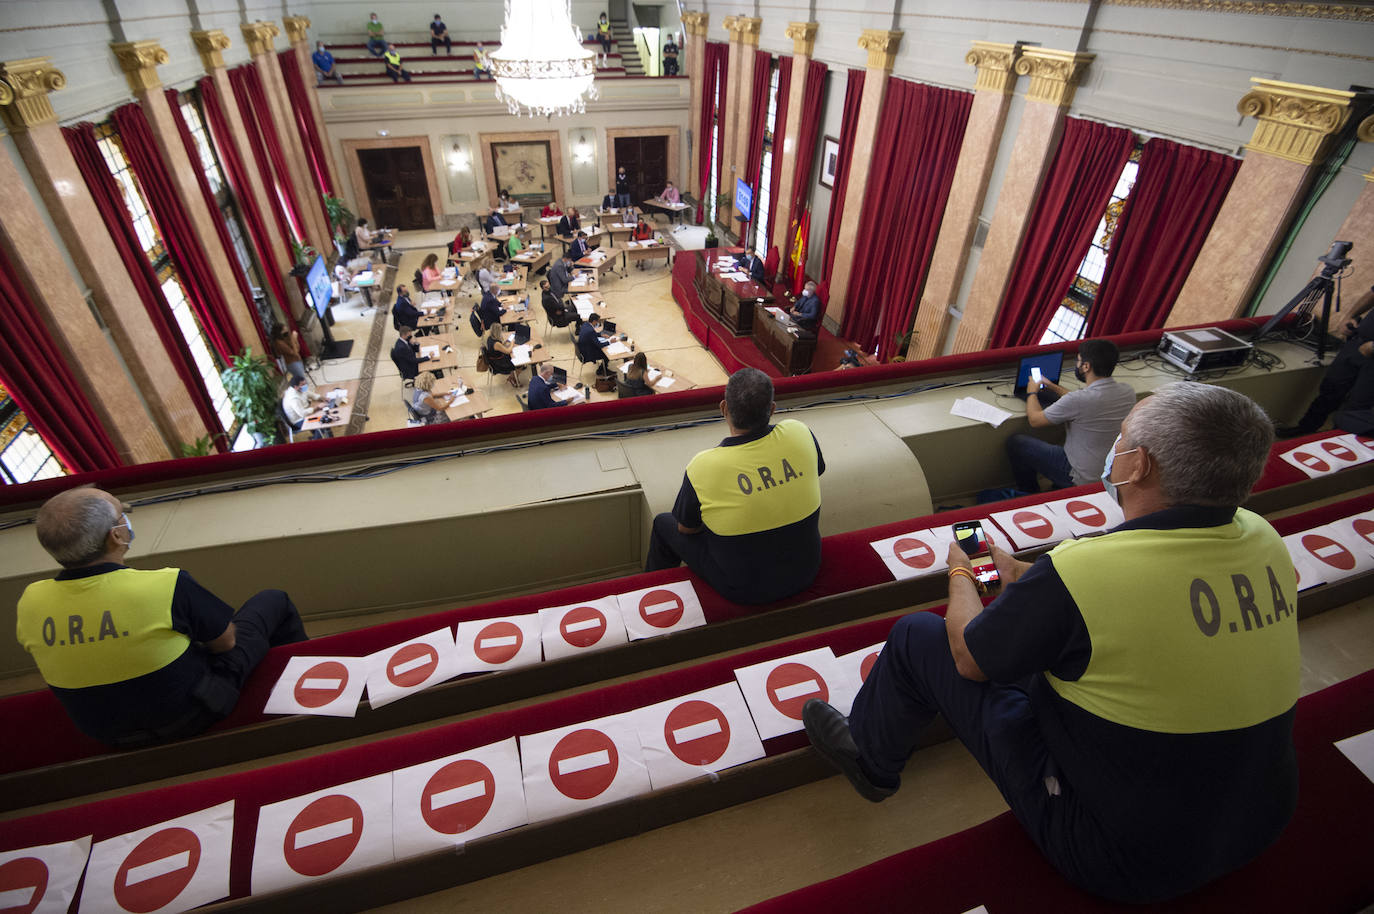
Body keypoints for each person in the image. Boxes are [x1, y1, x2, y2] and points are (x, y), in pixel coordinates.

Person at [803, 383, 1298, 905]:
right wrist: (1029, 575)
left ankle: (869, 760)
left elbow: (969, 657)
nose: (1115, 443)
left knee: (918, 635)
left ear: (1137, 467)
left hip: (1124, 856)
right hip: (1260, 820)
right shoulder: (1261, 535)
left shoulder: (1087, 571)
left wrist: (961, 573)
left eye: (1122, 435)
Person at [15, 487, 308, 748]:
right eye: (122, 517)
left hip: (105, 734)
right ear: (116, 535)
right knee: (272, 600)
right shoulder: (166, 584)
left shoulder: (30, 600)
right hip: (191, 716)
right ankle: (309, 683)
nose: (127, 522)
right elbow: (226, 643)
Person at [644, 368, 824, 603]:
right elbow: (816, 471)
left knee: (662, 523)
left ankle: (651, 593)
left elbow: (686, 529)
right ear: (772, 409)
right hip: (806, 570)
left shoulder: (703, 465)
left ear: (723, 408)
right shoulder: (800, 432)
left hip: (744, 591)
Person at [1005, 339, 1137, 494]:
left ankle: (1029, 492)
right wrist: (1051, 386)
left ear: (1086, 366)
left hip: (1080, 476)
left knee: (1017, 443)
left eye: (1079, 361)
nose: (1077, 364)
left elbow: (1035, 420)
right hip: (1110, 474)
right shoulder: (1127, 392)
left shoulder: (1078, 400)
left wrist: (1032, 391)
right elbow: (1081, 399)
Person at [1279, 284, 1374, 437]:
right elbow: (1372, 293)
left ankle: (1336, 444)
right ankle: (1304, 431)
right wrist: (1349, 316)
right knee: (1330, 390)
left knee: (1357, 408)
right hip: (1357, 342)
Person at [483, 320, 522, 388]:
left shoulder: (490, 338)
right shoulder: (496, 343)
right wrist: (512, 343)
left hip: (497, 357)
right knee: (520, 364)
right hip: (499, 363)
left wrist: (506, 342)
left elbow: (500, 347)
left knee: (516, 356)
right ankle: (512, 378)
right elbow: (508, 351)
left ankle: (512, 377)